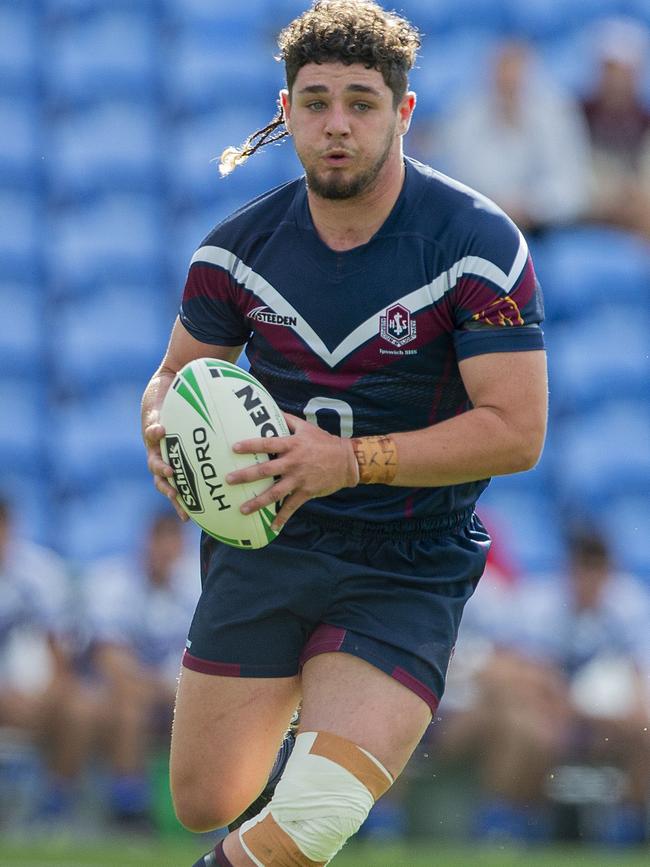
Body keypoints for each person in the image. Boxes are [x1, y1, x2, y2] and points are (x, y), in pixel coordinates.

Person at [140, 2, 548, 864]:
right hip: (269, 542)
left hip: (407, 558)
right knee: (203, 797)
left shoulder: (476, 245)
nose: (337, 124)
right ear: (284, 112)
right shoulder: (235, 251)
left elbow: (517, 433)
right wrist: (162, 428)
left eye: (361, 103)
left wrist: (350, 460)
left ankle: (335, 727)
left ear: (402, 113)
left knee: (315, 816)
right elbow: (176, 373)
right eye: (315, 101)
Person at [436, 526, 650, 845]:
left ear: (608, 572)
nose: (589, 583)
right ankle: (506, 824)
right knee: (526, 727)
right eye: (582, 571)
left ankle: (631, 828)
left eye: (597, 572)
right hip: (545, 707)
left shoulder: (629, 602)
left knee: (643, 728)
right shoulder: (538, 601)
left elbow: (639, 675)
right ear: (570, 569)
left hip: (601, 714)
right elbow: (509, 668)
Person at [80, 509, 199, 829]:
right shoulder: (113, 581)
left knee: (209, 706)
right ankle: (129, 804)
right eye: (158, 539)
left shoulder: (197, 587)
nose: (164, 549)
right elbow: (109, 659)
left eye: (172, 540)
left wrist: (176, 690)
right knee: (129, 704)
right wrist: (160, 688)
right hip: (120, 690)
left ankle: (207, 807)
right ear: (144, 541)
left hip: (177, 690)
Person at [0, 496, 97, 826]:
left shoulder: (40, 574)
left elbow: (61, 651)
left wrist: (47, 695)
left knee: (79, 709)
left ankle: (57, 803)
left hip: (36, 690)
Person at [432, 37, 591, 236]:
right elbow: (455, 176)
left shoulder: (556, 113)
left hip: (544, 228)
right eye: (502, 75)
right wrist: (495, 204)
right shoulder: (464, 114)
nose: (509, 83)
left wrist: (532, 207)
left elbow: (570, 184)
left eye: (516, 76)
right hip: (478, 222)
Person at [580, 17, 650, 238]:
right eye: (611, 70)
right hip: (589, 208)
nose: (616, 79)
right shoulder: (579, 114)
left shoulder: (644, 120)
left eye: (624, 71)